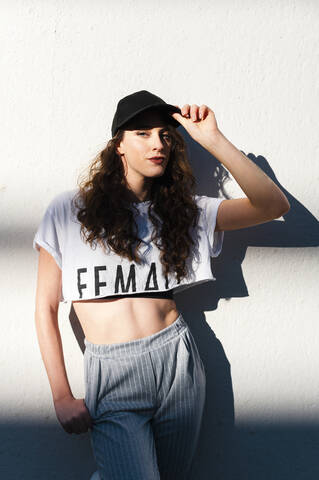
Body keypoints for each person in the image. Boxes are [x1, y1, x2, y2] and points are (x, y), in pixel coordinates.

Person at [33, 90, 290, 480]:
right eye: (143, 134)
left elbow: (273, 205)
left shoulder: (185, 211)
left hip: (178, 361)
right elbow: (46, 308)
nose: (158, 144)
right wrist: (61, 395)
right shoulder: (70, 211)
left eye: (166, 135)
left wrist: (213, 140)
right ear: (118, 144)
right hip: (112, 368)